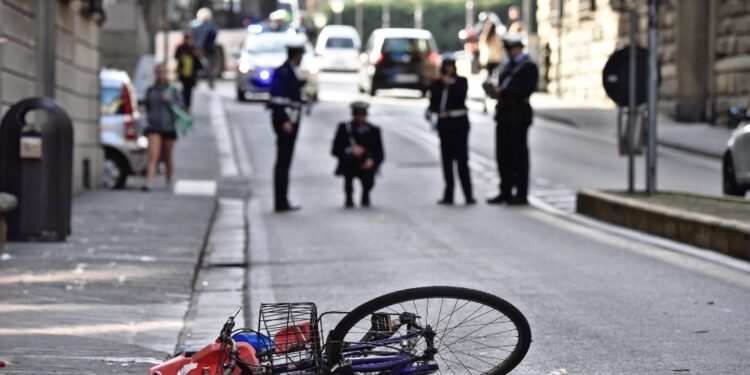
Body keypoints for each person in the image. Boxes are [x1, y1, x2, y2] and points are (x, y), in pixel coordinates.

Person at [487, 33, 539, 206]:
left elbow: (526, 89)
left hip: (519, 114)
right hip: (504, 114)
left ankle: (521, 193)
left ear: (519, 48)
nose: (510, 52)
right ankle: (505, 191)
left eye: (512, 49)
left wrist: (505, 92)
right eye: (508, 49)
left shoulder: (528, 67)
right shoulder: (507, 66)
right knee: (503, 155)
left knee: (519, 156)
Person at [426, 55, 475, 206]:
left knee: (462, 160)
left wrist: (451, 85)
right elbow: (434, 103)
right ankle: (449, 194)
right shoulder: (436, 83)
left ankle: (468, 194)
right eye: (446, 66)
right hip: (445, 125)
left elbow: (461, 96)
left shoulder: (461, 81)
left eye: (451, 66)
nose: (448, 69)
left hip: (459, 125)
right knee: (447, 160)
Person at [268, 38, 307, 212]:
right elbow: (277, 100)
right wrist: (285, 121)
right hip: (286, 122)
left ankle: (283, 200)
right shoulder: (283, 72)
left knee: (285, 162)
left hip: (292, 120)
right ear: (297, 55)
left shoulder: (291, 71)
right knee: (283, 162)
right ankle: (280, 201)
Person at [331, 102, 384, 208]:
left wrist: (372, 161)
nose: (360, 118)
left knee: (369, 181)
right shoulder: (344, 128)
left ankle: (366, 194)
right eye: (357, 115)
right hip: (350, 163)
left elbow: (380, 152)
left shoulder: (374, 130)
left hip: (367, 163)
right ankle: (349, 197)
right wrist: (349, 150)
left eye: (362, 115)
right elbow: (335, 150)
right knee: (348, 169)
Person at [143, 64, 181, 191]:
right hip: (154, 126)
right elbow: (146, 106)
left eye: (164, 72)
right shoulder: (151, 90)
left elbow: (180, 108)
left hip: (168, 126)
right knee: (153, 155)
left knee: (168, 157)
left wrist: (170, 100)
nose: (161, 75)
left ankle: (169, 180)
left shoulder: (173, 90)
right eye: (159, 72)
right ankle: (150, 181)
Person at [190, 7, 219, 88]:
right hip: (197, 49)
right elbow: (191, 36)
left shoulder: (211, 25)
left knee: (208, 67)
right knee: (196, 67)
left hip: (206, 49)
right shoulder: (195, 25)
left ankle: (210, 83)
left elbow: (214, 36)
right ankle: (195, 82)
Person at [174, 33, 201, 110]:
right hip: (183, 73)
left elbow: (197, 60)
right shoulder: (181, 48)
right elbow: (176, 56)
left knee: (188, 90)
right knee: (185, 90)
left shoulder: (192, 48)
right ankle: (185, 104)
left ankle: (187, 105)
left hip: (190, 74)